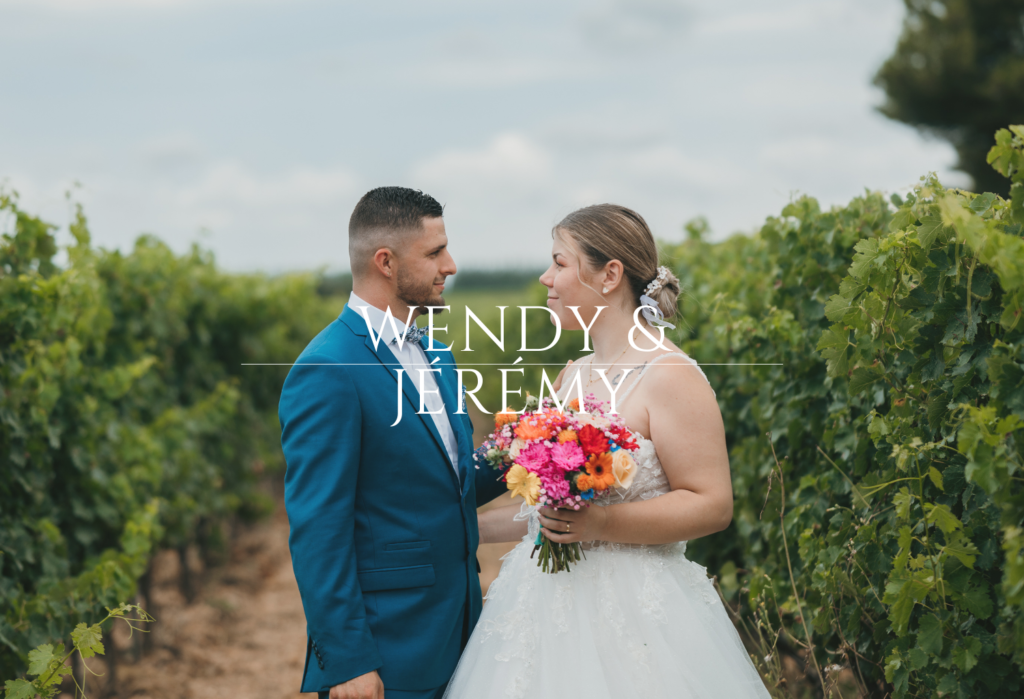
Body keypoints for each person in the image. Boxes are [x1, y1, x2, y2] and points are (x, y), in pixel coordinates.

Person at [443, 203, 772, 698]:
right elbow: (548, 513)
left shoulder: (669, 375)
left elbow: (712, 502)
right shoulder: (572, 374)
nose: (545, 277)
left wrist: (600, 525)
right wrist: (455, 531)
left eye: (559, 262)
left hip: (639, 621)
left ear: (610, 274)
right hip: (543, 611)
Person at [278, 187, 507, 699]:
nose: (450, 264)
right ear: (385, 261)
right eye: (433, 252)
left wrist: (532, 441)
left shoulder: (439, 355)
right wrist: (347, 661)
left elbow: (447, 483)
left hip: (462, 628)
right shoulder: (328, 368)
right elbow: (319, 529)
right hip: (388, 647)